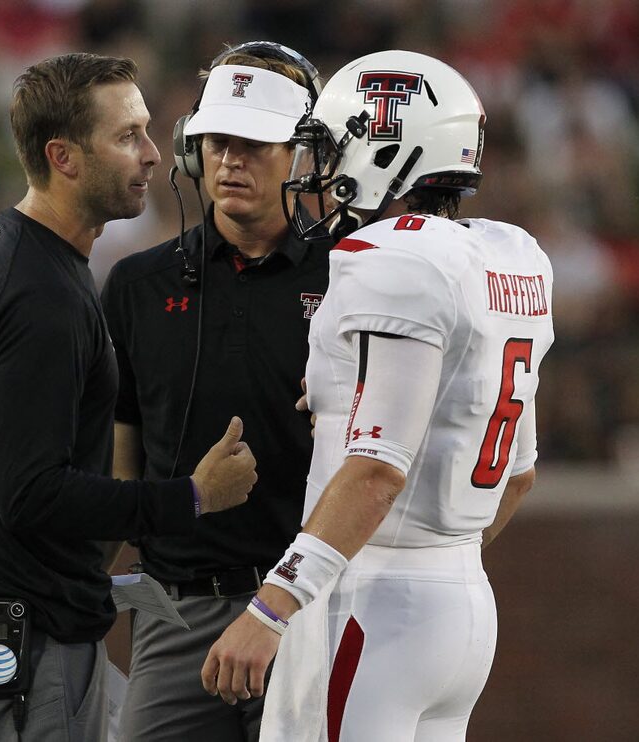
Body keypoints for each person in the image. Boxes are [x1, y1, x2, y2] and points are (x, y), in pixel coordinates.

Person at [201, 49, 555, 741]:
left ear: (385, 151)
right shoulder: (508, 255)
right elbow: (519, 475)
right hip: (461, 602)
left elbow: (375, 472)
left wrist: (272, 608)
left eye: (331, 150)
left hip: (371, 602)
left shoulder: (393, 258)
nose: (319, 174)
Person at [0, 52, 258, 742]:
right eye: (126, 136)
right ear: (62, 156)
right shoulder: (43, 295)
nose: (154, 155)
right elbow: (30, 491)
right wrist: (190, 496)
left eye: (148, 130)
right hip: (18, 649)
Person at [101, 42, 332, 741]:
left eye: (254, 143)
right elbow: (121, 462)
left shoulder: (354, 277)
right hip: (178, 612)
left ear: (301, 154)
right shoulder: (138, 286)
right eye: (217, 141)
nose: (231, 159)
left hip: (309, 603)